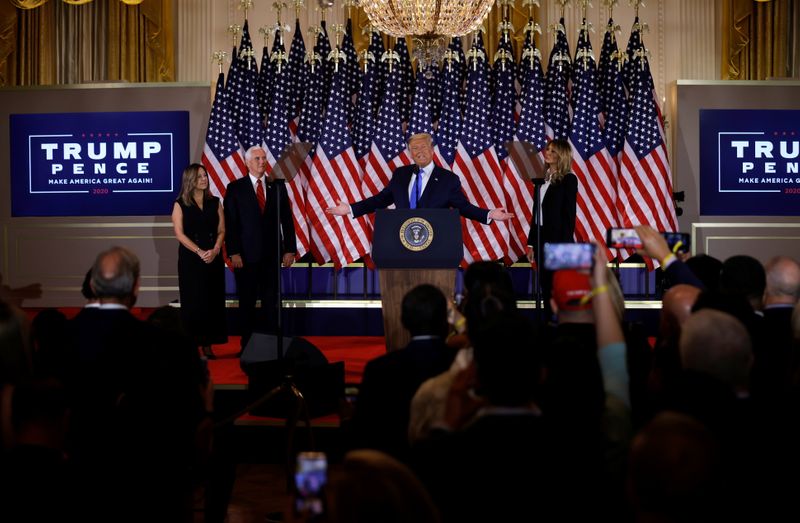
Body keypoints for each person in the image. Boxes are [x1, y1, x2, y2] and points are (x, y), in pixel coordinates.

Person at [326, 133, 514, 223]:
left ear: (432, 150)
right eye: (415, 149)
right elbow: (381, 200)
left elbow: (463, 207)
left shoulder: (448, 179)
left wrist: (489, 214)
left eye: (424, 147)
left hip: (435, 243)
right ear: (410, 153)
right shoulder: (401, 174)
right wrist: (350, 209)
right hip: (402, 240)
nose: (420, 152)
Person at [224, 146, 296, 352]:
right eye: (257, 158)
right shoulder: (235, 188)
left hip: (271, 256)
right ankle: (246, 346)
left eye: (264, 158)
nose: (262, 162)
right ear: (247, 163)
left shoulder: (277, 186)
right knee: (246, 304)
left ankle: (271, 345)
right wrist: (234, 252)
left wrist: (290, 248)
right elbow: (231, 223)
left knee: (270, 304)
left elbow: (287, 220)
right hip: (245, 257)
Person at [172, 163, 227, 359]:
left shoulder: (215, 202)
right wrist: (199, 251)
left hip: (214, 256)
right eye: (199, 176)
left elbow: (222, 230)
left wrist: (216, 249)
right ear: (190, 181)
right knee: (194, 302)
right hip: (191, 260)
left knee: (211, 302)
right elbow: (179, 233)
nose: (204, 179)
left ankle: (207, 344)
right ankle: (192, 345)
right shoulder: (180, 204)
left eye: (205, 175)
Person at [525, 139, 578, 321]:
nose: (547, 153)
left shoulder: (569, 179)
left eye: (553, 151)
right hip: (540, 240)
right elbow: (536, 214)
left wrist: (562, 247)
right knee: (545, 286)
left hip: (558, 243)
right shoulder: (541, 180)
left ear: (561, 156)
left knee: (559, 287)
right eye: (548, 149)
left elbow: (569, 216)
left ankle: (563, 324)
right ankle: (548, 323)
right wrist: (531, 243)